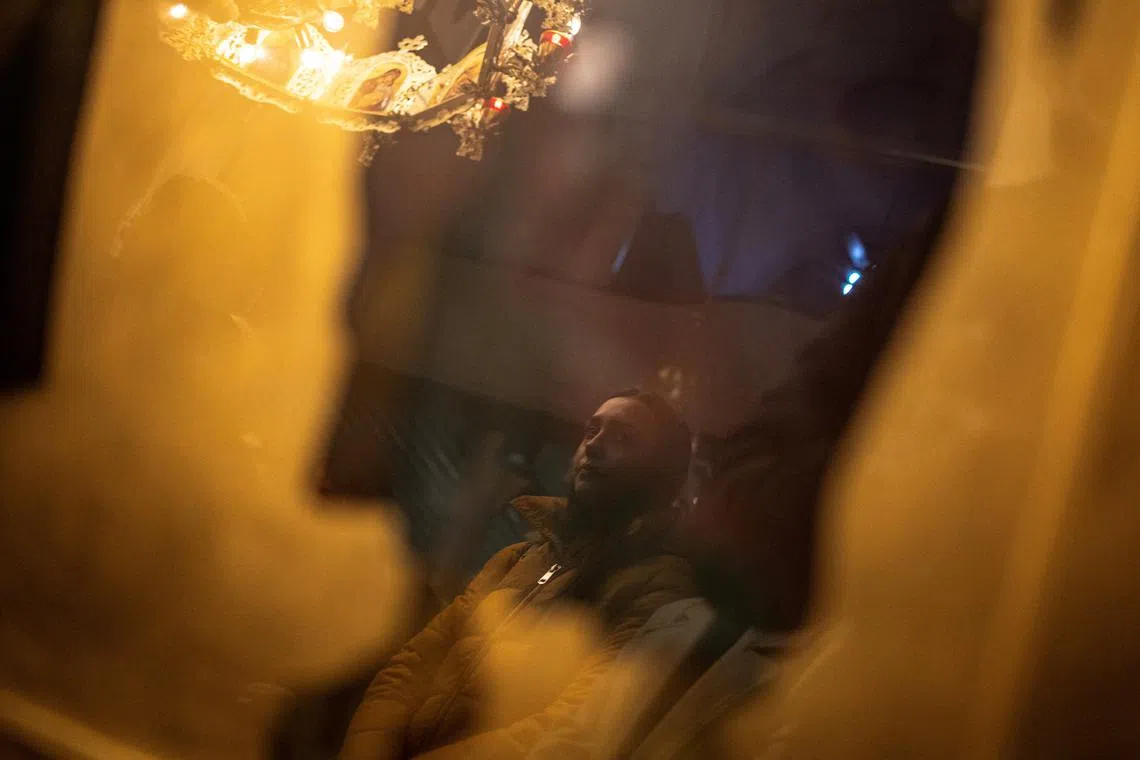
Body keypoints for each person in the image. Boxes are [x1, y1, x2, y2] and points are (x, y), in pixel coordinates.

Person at [340, 389, 697, 760]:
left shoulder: (657, 588)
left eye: (624, 438)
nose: (594, 446)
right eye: (592, 430)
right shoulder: (517, 559)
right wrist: (368, 746)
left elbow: (578, 722)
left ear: (661, 477)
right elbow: (416, 662)